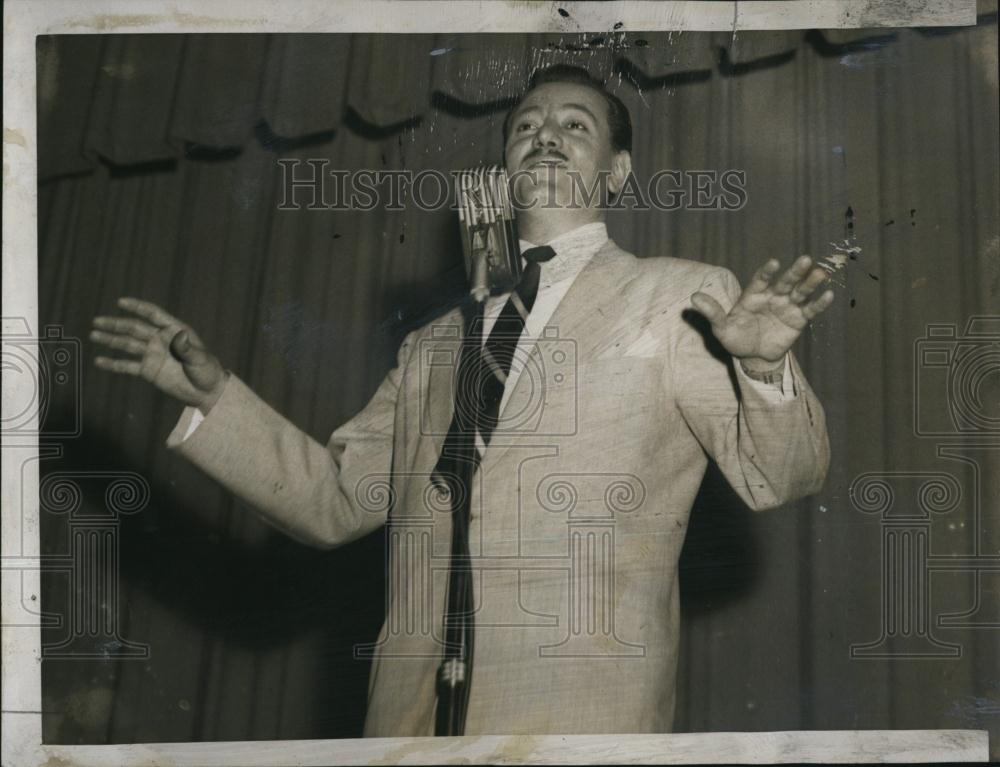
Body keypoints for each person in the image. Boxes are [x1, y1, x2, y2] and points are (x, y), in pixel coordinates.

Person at [91, 64, 833, 736]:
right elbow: (334, 501)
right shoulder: (431, 344)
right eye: (526, 127)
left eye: (576, 125)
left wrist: (765, 368)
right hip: (410, 718)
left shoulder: (679, 297)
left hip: (582, 711)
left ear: (618, 171)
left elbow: (782, 476)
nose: (545, 136)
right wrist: (215, 397)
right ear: (504, 165)